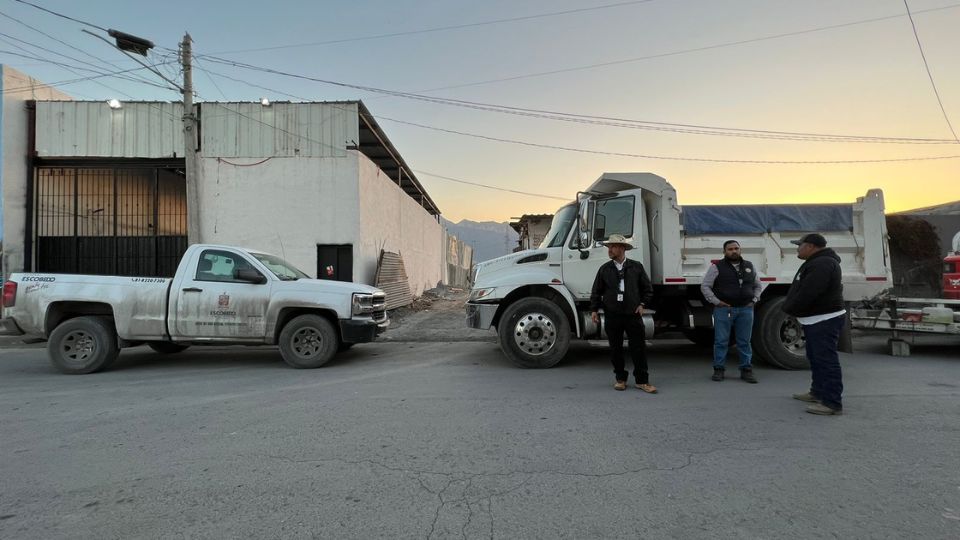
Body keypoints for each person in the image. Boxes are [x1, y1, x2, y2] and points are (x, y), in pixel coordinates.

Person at [783, 233, 845, 415]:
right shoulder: (818, 261)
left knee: (826, 361)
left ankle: (832, 403)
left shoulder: (823, 264)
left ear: (810, 246)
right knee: (816, 358)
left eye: (799, 245)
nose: (797, 248)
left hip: (824, 319)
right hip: (816, 318)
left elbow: (809, 292)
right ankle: (817, 392)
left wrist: (791, 308)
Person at [590, 234, 656, 393]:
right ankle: (620, 379)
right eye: (609, 247)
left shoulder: (636, 267)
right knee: (615, 349)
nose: (610, 250)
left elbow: (647, 289)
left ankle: (642, 381)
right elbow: (596, 291)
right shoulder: (605, 269)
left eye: (612, 246)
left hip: (633, 314)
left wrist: (642, 304)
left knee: (638, 348)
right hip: (612, 314)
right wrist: (594, 310)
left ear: (622, 248)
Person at [700, 240, 761, 383]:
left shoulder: (749, 266)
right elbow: (705, 286)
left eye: (736, 248)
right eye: (730, 249)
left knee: (744, 341)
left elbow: (758, 285)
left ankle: (746, 370)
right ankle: (719, 369)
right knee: (721, 341)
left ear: (740, 250)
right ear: (724, 251)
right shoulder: (717, 267)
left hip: (746, 309)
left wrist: (754, 300)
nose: (734, 251)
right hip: (724, 309)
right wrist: (716, 301)